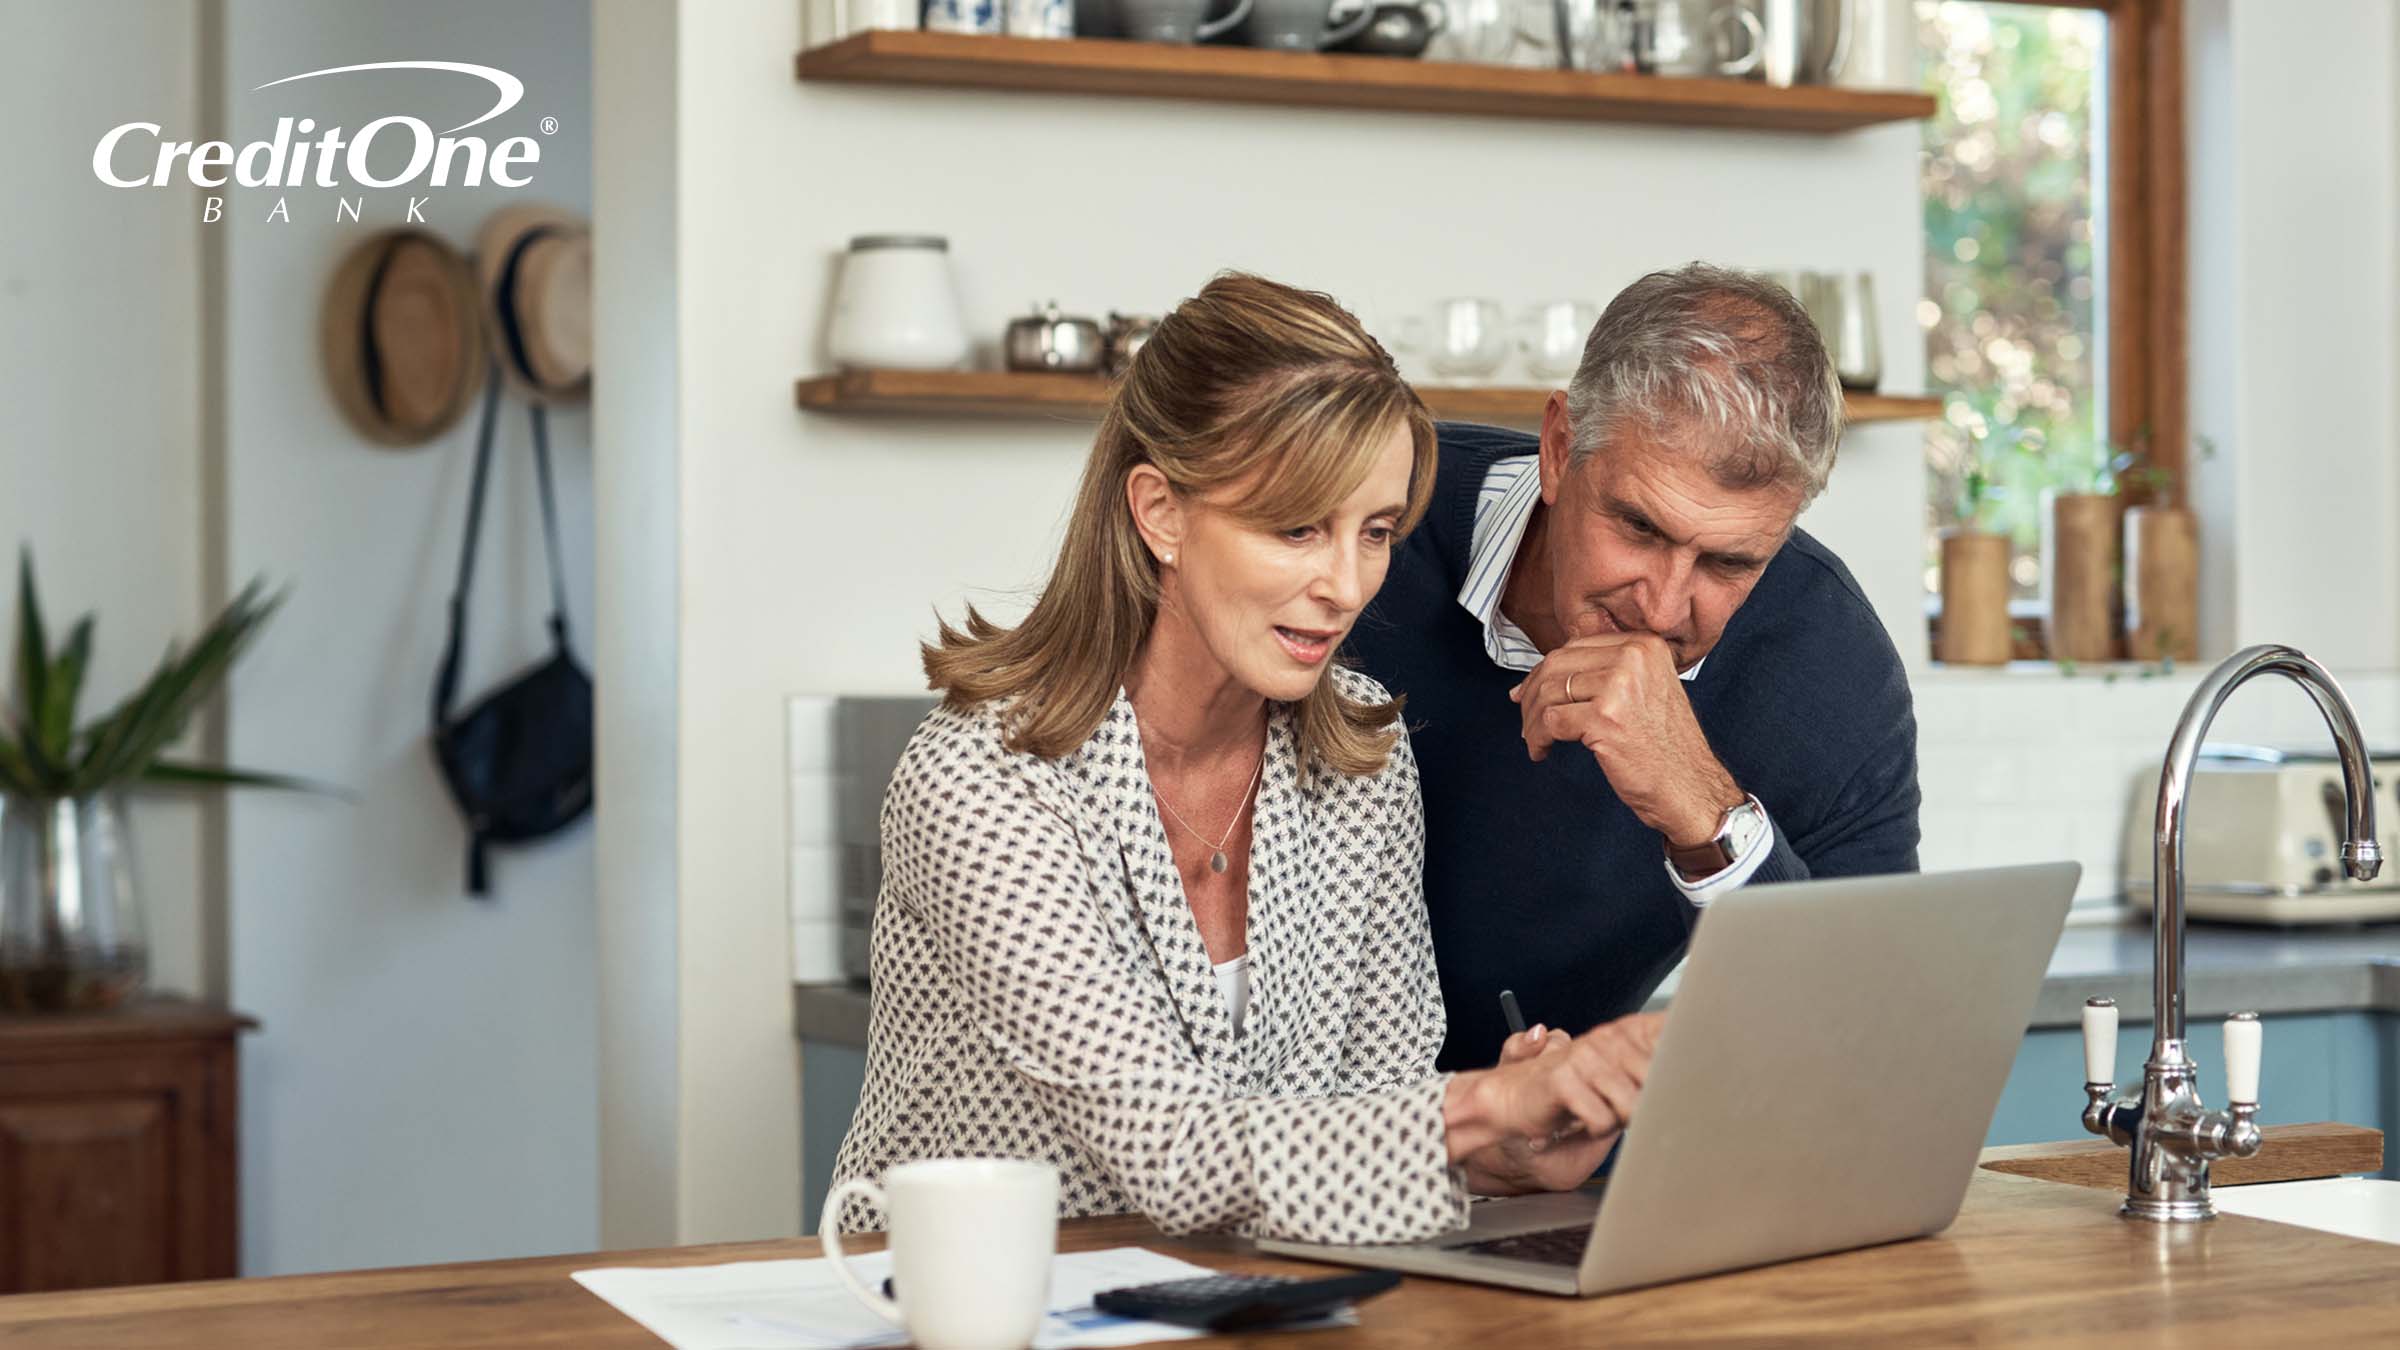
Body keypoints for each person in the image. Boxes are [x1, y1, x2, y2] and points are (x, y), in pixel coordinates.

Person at [831, 273, 1663, 1245]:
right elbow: (1170, 1152)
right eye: (1297, 527)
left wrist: (1499, 1158)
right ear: (1161, 512)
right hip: (975, 1312)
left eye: (1377, 531)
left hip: (1251, 1309)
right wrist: (1486, 1109)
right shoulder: (981, 782)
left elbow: (1374, 1103)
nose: (1346, 584)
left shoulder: (1362, 763)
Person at [1347, 263, 1922, 1072]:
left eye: (1728, 563)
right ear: (1558, 447)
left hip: (1557, 1157)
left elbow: (1866, 1043)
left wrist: (1707, 815)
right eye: (1639, 528)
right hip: (1285, 1139)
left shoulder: (1831, 669)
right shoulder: (1368, 527)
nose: (1662, 607)